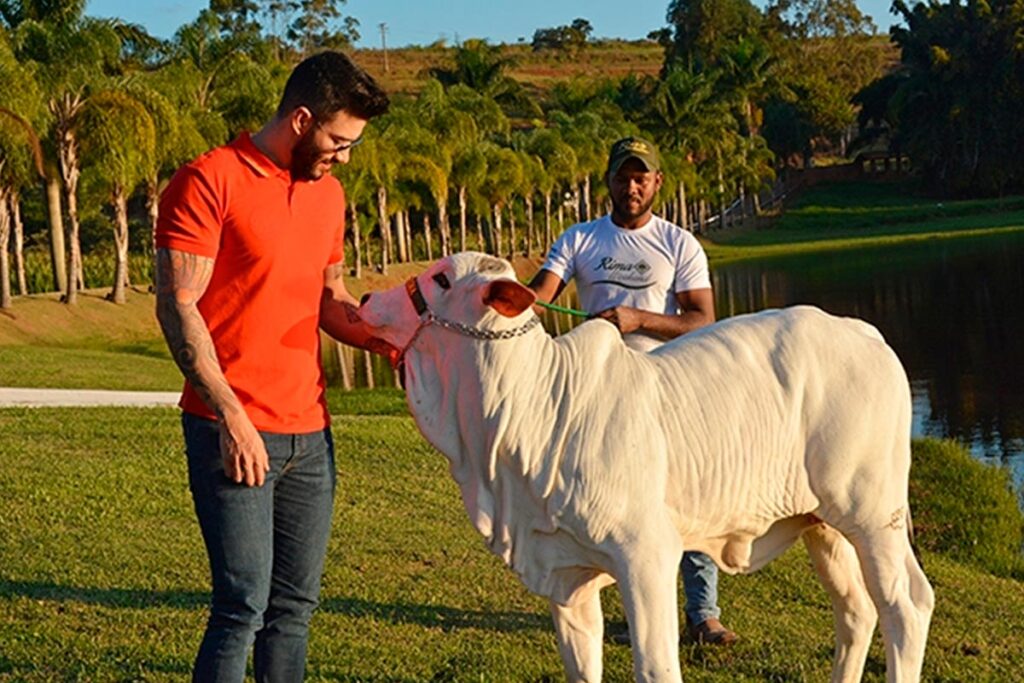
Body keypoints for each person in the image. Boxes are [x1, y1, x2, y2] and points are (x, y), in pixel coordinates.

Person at [154, 51, 393, 682]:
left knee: (293, 609)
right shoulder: (209, 179)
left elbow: (330, 299)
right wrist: (232, 416)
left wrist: (393, 340)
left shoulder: (329, 195)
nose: (344, 155)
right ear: (302, 119)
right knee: (241, 606)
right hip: (229, 426)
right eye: (339, 140)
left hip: (310, 434)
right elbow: (178, 306)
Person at [528, 136, 738, 646]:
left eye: (641, 176)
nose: (632, 186)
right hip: (596, 395)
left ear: (657, 182)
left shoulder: (677, 244)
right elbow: (538, 299)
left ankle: (703, 613)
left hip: (670, 388)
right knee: (601, 502)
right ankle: (624, 608)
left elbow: (703, 320)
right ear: (609, 180)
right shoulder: (579, 239)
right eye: (623, 176)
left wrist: (635, 319)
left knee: (684, 495)